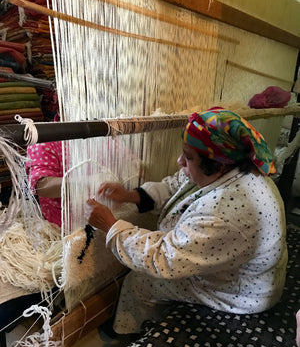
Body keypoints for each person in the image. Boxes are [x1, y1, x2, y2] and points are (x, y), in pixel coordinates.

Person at [86, 107, 287, 335]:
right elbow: (177, 186)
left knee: (141, 281)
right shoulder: (231, 166)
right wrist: (129, 196)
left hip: (243, 293)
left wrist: (111, 226)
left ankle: (127, 331)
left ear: (218, 165)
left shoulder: (227, 211)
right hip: (235, 269)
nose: (179, 160)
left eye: (188, 157)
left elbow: (165, 259)